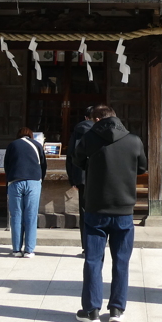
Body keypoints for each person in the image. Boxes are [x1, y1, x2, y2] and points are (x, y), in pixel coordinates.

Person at [72, 104, 147, 322]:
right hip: (124, 209)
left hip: (96, 207)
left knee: (93, 260)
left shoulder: (89, 138)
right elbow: (142, 168)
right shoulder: (133, 140)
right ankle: (116, 309)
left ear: (96, 120)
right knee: (121, 261)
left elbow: (77, 160)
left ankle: (91, 311)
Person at [3, 126, 46, 258]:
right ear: (31, 135)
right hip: (33, 181)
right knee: (31, 216)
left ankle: (16, 249)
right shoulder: (37, 145)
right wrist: (40, 179)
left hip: (15, 181)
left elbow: (7, 165)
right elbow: (43, 165)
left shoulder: (12, 145)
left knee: (16, 216)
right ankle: (29, 250)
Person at [65, 106, 95, 254]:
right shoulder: (101, 131)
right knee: (98, 211)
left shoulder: (77, 131)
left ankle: (86, 247)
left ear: (85, 118)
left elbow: (71, 155)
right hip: (98, 176)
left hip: (82, 177)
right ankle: (97, 245)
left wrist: (73, 178)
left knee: (84, 212)